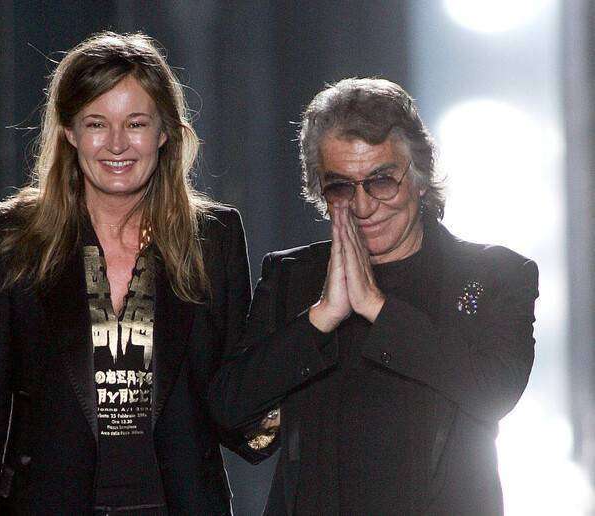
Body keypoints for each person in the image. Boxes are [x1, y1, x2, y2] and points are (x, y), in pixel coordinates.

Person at [0, 32, 259, 515]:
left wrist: (313, 334)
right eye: (97, 123)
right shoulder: (16, 237)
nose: (116, 144)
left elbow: (236, 399)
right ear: (69, 132)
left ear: (164, 133)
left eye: (135, 123)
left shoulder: (213, 239)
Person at [209, 78, 539, 515]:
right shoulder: (294, 276)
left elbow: (495, 393)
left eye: (382, 181)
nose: (363, 207)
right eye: (341, 187)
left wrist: (377, 308)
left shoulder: (494, 275)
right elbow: (228, 411)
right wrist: (321, 318)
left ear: (419, 177)